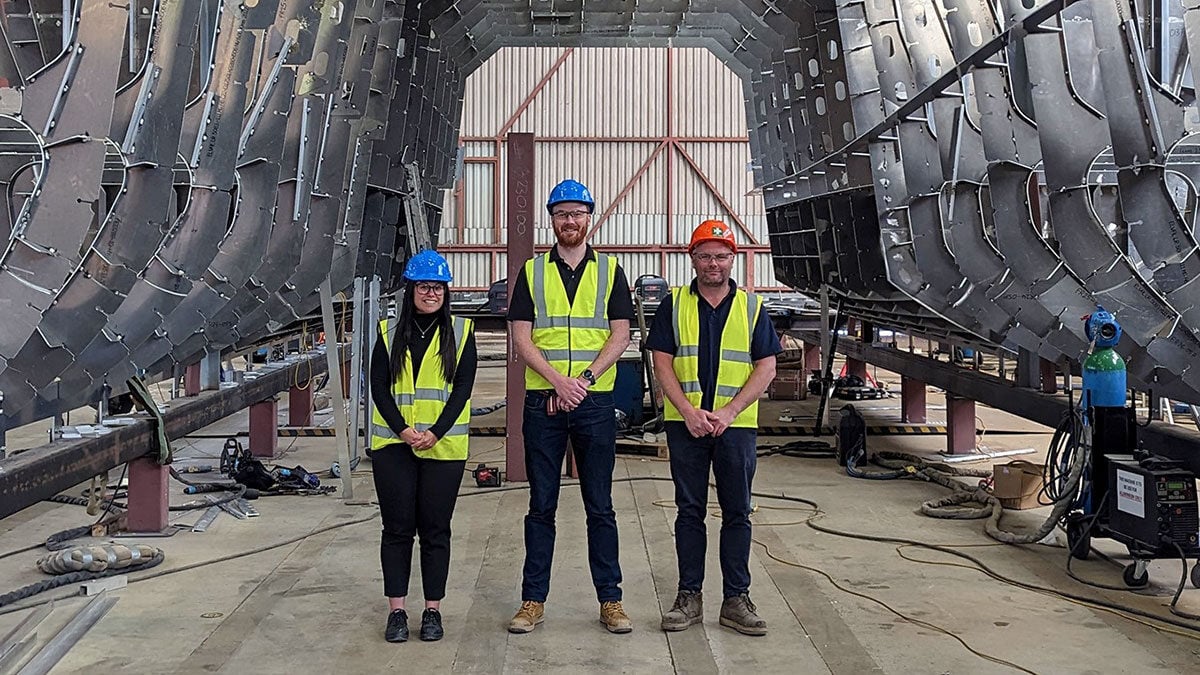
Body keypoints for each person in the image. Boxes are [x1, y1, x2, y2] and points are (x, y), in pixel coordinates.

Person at [506, 178, 635, 634]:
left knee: (600, 505)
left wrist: (581, 382)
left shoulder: (611, 271)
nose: (570, 221)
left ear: (589, 217)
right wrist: (559, 382)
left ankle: (611, 601)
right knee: (541, 505)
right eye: (562, 214)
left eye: (578, 213)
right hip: (545, 400)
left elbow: (621, 335)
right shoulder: (533, 272)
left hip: (594, 401)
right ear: (552, 219)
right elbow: (521, 336)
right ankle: (532, 601)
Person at [645, 220, 781, 636]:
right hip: (686, 424)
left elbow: (767, 366)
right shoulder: (673, 305)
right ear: (693, 259)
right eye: (704, 255)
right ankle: (689, 597)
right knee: (690, 512)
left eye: (721, 256)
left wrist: (730, 411)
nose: (713, 264)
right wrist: (686, 410)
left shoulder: (752, 307)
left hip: (735, 427)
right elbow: (661, 362)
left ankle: (736, 599)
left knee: (737, 511)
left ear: (732, 259)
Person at [368, 248, 477, 643]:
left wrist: (437, 432)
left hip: (442, 449)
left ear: (446, 291)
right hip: (395, 448)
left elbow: (462, 388)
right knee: (397, 529)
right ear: (410, 289)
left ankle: (433, 611)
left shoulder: (462, 334)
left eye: (437, 287)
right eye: (423, 286)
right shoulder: (388, 332)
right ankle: (397, 612)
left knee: (435, 530)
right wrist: (401, 430)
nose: (431, 293)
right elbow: (378, 386)